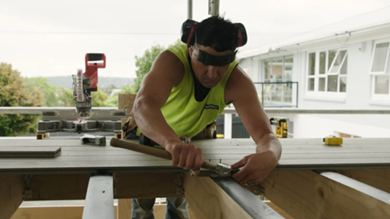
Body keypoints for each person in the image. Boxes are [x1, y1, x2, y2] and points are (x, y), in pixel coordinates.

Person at [128, 16, 282, 219]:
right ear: (191, 50)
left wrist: (270, 155)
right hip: (147, 138)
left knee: (179, 204)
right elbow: (142, 106)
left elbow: (266, 136)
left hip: (187, 144)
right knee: (142, 209)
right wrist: (172, 142)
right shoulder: (172, 62)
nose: (212, 73)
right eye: (205, 60)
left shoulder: (237, 81)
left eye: (222, 63)